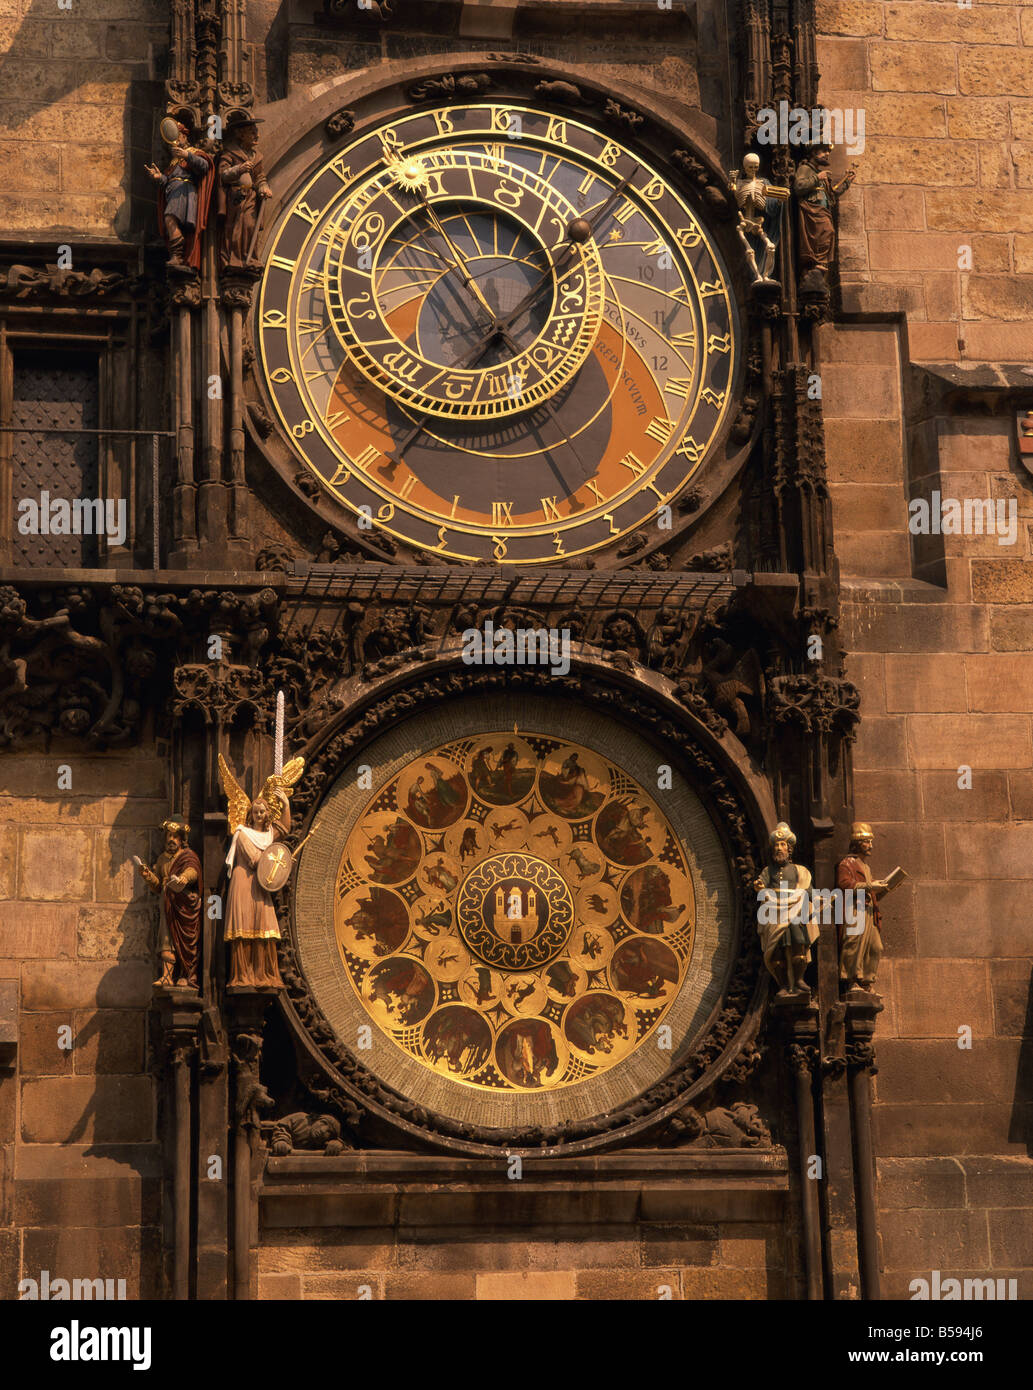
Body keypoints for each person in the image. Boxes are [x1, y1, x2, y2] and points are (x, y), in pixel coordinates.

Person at [224, 793, 289, 989]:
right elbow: (254, 859)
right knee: (243, 928)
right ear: (250, 815)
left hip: (261, 884)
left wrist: (286, 805)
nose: (259, 814)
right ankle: (243, 976)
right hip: (244, 882)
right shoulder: (242, 834)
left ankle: (265, 975)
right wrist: (277, 858)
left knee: (265, 927)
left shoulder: (268, 835)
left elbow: (284, 829)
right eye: (255, 812)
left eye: (262, 811)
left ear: (267, 813)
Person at [754, 822, 816, 996]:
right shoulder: (768, 871)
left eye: (782, 845)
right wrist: (759, 886)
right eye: (776, 845)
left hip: (795, 910)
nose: (779, 848)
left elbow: (807, 889)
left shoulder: (798, 870)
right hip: (774, 911)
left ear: (789, 849)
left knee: (799, 944)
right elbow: (760, 884)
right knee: (777, 950)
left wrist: (819, 899)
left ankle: (798, 980)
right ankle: (782, 984)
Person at [138, 819, 201, 989]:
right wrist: (148, 876)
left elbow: (193, 870)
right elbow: (158, 886)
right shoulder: (162, 859)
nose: (171, 840)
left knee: (183, 940)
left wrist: (184, 878)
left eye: (175, 837)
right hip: (166, 903)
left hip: (182, 904)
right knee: (166, 939)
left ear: (181, 840)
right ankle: (167, 976)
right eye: (169, 836)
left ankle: (184, 974)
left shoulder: (187, 856)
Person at [145, 119, 215, 269]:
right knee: (169, 221)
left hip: (184, 191)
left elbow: (204, 166)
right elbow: (168, 180)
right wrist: (159, 178)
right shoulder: (174, 161)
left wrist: (187, 155)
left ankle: (178, 255)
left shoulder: (194, 153)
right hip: (173, 192)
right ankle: (177, 254)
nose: (176, 141)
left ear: (185, 137)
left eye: (179, 137)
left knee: (169, 219)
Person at [836, 822, 892, 991]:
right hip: (854, 910)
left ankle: (867, 980)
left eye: (871, 841)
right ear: (857, 843)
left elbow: (869, 889)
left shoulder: (866, 866)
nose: (870, 846)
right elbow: (844, 885)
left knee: (875, 947)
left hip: (868, 910)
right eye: (867, 841)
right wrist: (870, 886)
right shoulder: (847, 864)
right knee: (855, 944)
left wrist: (881, 889)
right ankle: (852, 979)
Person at [216, 111, 271, 273]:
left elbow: (260, 177)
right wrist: (238, 169)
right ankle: (235, 258)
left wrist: (263, 187)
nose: (257, 136)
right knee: (238, 226)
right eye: (252, 133)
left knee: (250, 225)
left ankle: (250, 257)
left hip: (251, 198)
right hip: (236, 197)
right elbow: (223, 175)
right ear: (241, 135)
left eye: (257, 132)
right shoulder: (230, 153)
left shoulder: (256, 156)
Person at [793, 144, 856, 285]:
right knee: (822, 234)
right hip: (812, 214)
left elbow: (831, 197)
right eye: (823, 151)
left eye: (828, 151)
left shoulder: (821, 174)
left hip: (823, 213)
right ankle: (813, 265)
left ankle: (819, 264)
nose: (827, 154)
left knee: (828, 233)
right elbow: (798, 187)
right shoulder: (805, 169)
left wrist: (846, 183)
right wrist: (817, 178)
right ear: (813, 152)